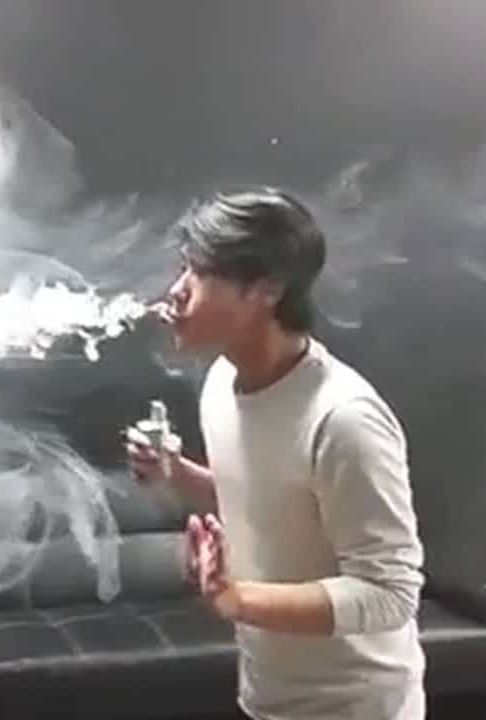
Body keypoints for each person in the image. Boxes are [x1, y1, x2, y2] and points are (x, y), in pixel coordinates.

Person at [125, 187, 426, 719]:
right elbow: (262, 499)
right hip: (267, 697)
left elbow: (389, 594)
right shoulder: (222, 383)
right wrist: (178, 474)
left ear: (266, 289)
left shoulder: (344, 420)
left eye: (200, 273)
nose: (177, 291)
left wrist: (237, 599)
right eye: (184, 268)